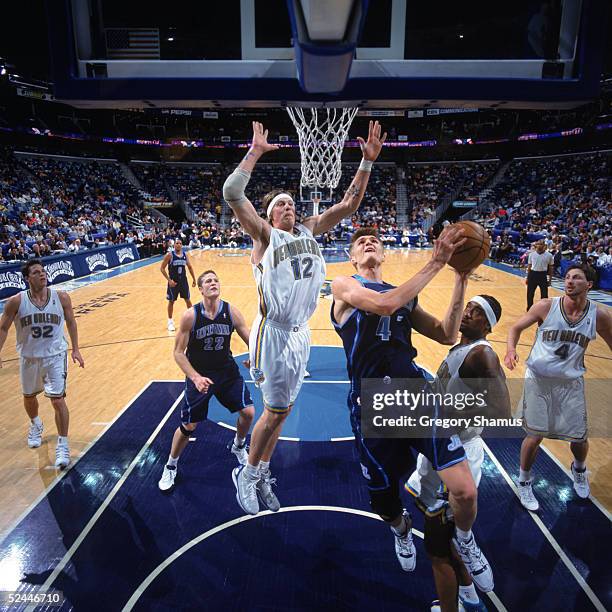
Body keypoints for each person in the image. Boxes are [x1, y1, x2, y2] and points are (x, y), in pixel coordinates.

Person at [223, 120, 387, 515]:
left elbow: (349, 205)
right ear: (269, 214)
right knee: (275, 410)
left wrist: (366, 163)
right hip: (273, 333)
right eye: (280, 203)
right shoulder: (264, 237)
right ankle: (245, 473)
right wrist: (256, 152)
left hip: (300, 334)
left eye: (291, 202)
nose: (289, 206)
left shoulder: (310, 231)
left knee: (285, 409)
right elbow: (232, 192)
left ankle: (262, 471)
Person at [331, 228, 494, 602]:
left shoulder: (406, 296)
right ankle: (401, 528)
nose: (369, 242)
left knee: (465, 491)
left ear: (384, 253)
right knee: (384, 501)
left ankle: (466, 541)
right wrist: (435, 261)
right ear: (353, 258)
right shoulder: (345, 285)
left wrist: (460, 277)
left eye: (375, 240)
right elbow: (384, 304)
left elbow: (447, 333)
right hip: (373, 407)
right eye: (361, 242)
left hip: (416, 395)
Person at [406, 296, 509, 610]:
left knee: (438, 549)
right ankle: (469, 595)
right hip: (442, 447)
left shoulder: (482, 354)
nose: (468, 313)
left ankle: (456, 598)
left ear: (488, 326)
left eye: (478, 313)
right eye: (469, 307)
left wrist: (454, 416)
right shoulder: (462, 349)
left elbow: (502, 411)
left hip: (458, 454)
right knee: (443, 536)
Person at [505, 263, 612, 510]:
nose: (570, 281)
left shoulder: (599, 315)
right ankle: (524, 481)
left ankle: (580, 469)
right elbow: (516, 328)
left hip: (570, 382)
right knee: (535, 434)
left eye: (577, 278)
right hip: (538, 380)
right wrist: (511, 350)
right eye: (568, 277)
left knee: (579, 437)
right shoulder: (546, 306)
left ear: (590, 285)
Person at [158, 270, 255, 492]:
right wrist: (195, 377)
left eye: (216, 280)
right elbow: (178, 353)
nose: (213, 283)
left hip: (226, 372)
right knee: (189, 425)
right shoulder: (190, 316)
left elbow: (252, 340)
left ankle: (238, 446)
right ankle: (171, 465)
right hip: (199, 374)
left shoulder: (231, 311)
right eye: (208, 281)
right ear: (200, 289)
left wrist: (255, 355)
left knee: (248, 413)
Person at [0, 259, 85, 468]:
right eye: (37, 272)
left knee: (57, 400)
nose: (42, 274)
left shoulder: (61, 297)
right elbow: (3, 328)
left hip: (55, 355)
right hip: (29, 357)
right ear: (27, 278)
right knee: (29, 397)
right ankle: (36, 424)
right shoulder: (16, 301)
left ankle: (63, 444)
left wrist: (75, 348)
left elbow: (72, 322)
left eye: (43, 271)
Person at [160, 239, 196, 331]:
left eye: (180, 243)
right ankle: (170, 322)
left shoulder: (185, 255)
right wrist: (169, 280)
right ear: (174, 245)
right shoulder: (169, 255)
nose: (178, 245)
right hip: (173, 283)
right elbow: (162, 268)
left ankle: (193, 320)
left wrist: (194, 279)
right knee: (171, 301)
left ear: (182, 245)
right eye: (177, 243)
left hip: (183, 281)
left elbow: (190, 267)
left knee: (188, 300)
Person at [525, 240, 554, 311]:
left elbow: (551, 268)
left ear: (544, 245)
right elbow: (529, 266)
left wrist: (550, 280)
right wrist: (527, 278)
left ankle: (543, 310)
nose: (540, 245)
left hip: (543, 275)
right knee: (530, 294)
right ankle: (529, 309)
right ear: (536, 245)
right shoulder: (531, 254)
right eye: (538, 244)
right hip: (533, 274)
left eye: (541, 244)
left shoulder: (549, 255)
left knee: (544, 295)